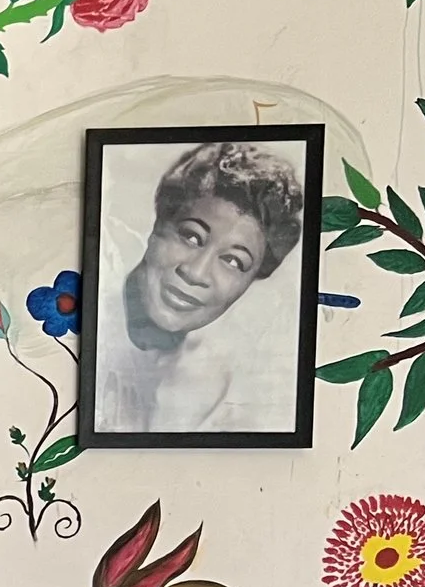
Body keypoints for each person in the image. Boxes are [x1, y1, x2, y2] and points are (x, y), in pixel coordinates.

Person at [94, 139, 305, 434]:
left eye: (233, 261)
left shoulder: (213, 390)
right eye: (191, 237)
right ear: (158, 225)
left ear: (251, 281)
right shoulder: (87, 324)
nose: (196, 272)